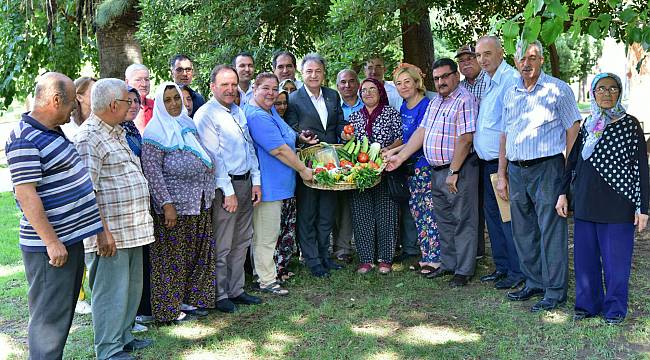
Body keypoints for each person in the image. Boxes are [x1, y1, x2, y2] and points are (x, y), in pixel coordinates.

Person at [5, 72, 104, 360]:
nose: (75, 107)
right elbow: (26, 194)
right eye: (72, 101)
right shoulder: (25, 138)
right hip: (50, 248)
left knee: (61, 317)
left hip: (68, 240)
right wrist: (51, 241)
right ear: (56, 99)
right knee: (49, 322)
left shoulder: (51, 130)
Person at [556, 73, 649, 324]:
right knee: (585, 261)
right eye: (601, 89)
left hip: (618, 204)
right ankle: (587, 306)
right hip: (586, 202)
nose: (606, 93)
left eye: (612, 88)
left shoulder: (630, 124)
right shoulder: (588, 124)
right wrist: (563, 193)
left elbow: (641, 167)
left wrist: (643, 207)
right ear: (593, 94)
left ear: (619, 92)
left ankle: (615, 310)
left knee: (616, 263)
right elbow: (573, 161)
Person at [497, 40, 581, 312]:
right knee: (523, 230)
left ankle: (555, 291)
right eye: (522, 58)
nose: (527, 63)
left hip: (548, 168)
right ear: (515, 60)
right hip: (516, 170)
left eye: (533, 57)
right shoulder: (510, 93)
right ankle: (534, 281)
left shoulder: (558, 89)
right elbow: (505, 134)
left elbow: (573, 130)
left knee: (551, 230)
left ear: (542, 60)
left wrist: (568, 175)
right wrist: (501, 173)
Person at [75, 78, 155, 360]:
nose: (133, 105)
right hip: (110, 233)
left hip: (131, 228)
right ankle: (108, 350)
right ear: (113, 105)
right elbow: (87, 191)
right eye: (127, 101)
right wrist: (101, 232)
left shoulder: (116, 131)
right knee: (110, 292)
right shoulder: (89, 138)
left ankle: (123, 337)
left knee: (131, 289)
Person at [386, 58, 479, 287]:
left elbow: (466, 139)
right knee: (444, 221)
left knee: (462, 221)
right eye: (437, 78)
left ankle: (464, 270)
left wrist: (454, 171)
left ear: (455, 76)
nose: (441, 82)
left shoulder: (464, 100)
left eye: (445, 76)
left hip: (456, 170)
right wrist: (400, 157)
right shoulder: (436, 101)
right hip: (435, 169)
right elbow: (422, 132)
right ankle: (448, 264)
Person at [141, 83, 216, 322]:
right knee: (171, 259)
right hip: (174, 207)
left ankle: (191, 301)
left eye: (177, 98)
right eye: (168, 100)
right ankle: (168, 309)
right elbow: (152, 173)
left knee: (194, 255)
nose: (174, 104)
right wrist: (166, 204)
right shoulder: (154, 133)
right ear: (160, 104)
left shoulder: (187, 123)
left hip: (198, 202)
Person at [194, 65, 263, 313]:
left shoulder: (238, 112)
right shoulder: (205, 115)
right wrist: (228, 191)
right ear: (213, 87)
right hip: (226, 187)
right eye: (225, 84)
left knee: (242, 239)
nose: (231, 89)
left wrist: (256, 181)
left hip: (245, 183)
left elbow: (249, 148)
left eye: (234, 84)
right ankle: (219, 294)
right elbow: (214, 157)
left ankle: (237, 290)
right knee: (223, 243)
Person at [245, 72, 314, 294]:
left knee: (272, 234)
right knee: (266, 236)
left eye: (274, 89)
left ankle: (267, 274)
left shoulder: (270, 110)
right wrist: (303, 169)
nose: (271, 93)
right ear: (255, 88)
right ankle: (266, 280)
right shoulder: (257, 115)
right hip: (268, 186)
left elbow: (286, 136)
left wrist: (300, 138)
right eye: (266, 88)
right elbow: (279, 150)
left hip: (282, 185)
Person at [284, 53, 347, 278]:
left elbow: (339, 122)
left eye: (317, 71)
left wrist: (344, 132)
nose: (313, 75)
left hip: (331, 163)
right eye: (309, 71)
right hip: (307, 163)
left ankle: (325, 256)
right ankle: (312, 260)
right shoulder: (293, 99)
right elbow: (290, 129)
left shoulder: (332, 95)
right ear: (302, 73)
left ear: (323, 73)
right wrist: (301, 136)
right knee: (308, 212)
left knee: (327, 212)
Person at [473, 36, 524, 289]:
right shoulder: (489, 81)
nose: (482, 60)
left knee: (508, 219)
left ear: (501, 53)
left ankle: (517, 271)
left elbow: (507, 129)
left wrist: (502, 172)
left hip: (500, 165)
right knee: (493, 218)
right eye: (479, 55)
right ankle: (502, 267)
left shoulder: (511, 80)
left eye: (487, 54)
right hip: (486, 164)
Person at [364, 56, 419, 263]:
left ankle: (406, 249)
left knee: (402, 208)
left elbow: (406, 136)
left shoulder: (395, 107)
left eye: (378, 66)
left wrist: (388, 150)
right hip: (374, 167)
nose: (374, 70)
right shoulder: (358, 114)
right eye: (370, 67)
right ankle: (375, 253)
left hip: (402, 163)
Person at [388, 64, 440, 275]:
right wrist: (390, 150)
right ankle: (426, 255)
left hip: (423, 166)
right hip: (409, 167)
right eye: (399, 84)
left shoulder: (425, 105)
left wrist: (398, 155)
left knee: (429, 212)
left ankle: (436, 259)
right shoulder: (404, 106)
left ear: (417, 82)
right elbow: (406, 138)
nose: (403, 87)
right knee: (418, 211)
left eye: (407, 82)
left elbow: (421, 138)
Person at [347, 78, 402, 274]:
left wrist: (388, 149)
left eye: (372, 89)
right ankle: (366, 259)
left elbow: (401, 137)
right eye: (364, 90)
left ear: (380, 92)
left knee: (386, 213)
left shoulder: (391, 113)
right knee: (362, 214)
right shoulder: (354, 117)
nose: (368, 93)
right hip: (360, 172)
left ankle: (385, 258)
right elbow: (348, 142)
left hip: (385, 169)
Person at [456, 44, 488, 260]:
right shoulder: (458, 88)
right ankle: (476, 250)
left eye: (470, 58)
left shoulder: (489, 82)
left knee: (493, 205)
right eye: (461, 60)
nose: (466, 63)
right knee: (471, 204)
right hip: (468, 155)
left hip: (490, 152)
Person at [333, 68, 363, 263]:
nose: (347, 85)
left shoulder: (367, 103)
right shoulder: (334, 106)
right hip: (340, 161)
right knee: (342, 207)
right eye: (343, 82)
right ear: (337, 86)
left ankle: (367, 245)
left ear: (358, 84)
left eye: (351, 81)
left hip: (365, 161)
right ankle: (342, 247)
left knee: (362, 204)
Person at [125, 64, 154, 132]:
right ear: (127, 82)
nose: (144, 84)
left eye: (146, 79)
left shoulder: (156, 106)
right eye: (138, 80)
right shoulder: (122, 107)